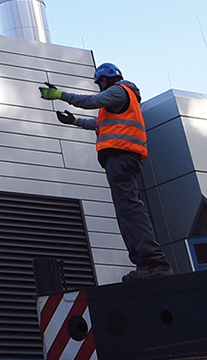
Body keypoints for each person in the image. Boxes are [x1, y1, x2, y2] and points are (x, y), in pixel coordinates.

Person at [42, 63, 172, 280]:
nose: (100, 87)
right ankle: (146, 262)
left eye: (100, 82)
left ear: (105, 79)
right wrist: (75, 121)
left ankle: (153, 261)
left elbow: (92, 101)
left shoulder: (119, 91)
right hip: (121, 159)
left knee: (130, 210)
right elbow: (100, 123)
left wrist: (61, 94)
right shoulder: (120, 100)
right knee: (127, 210)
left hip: (121, 158)